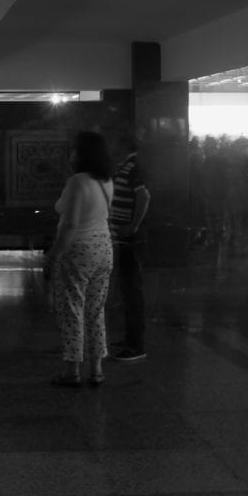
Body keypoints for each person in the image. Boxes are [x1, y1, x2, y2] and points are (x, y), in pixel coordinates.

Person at [46, 131, 114, 387]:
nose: (70, 154)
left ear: (82, 153)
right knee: (96, 310)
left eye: (74, 149)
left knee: (72, 310)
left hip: (79, 250)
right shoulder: (107, 180)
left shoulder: (77, 182)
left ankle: (72, 370)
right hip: (104, 248)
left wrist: (55, 256)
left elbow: (71, 225)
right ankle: (96, 369)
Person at [108, 135, 151, 363]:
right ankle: (130, 338)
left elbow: (144, 195)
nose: (110, 145)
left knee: (132, 289)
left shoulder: (135, 165)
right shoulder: (124, 166)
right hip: (124, 235)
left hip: (131, 237)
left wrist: (133, 225)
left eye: (114, 141)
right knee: (127, 288)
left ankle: (136, 344)